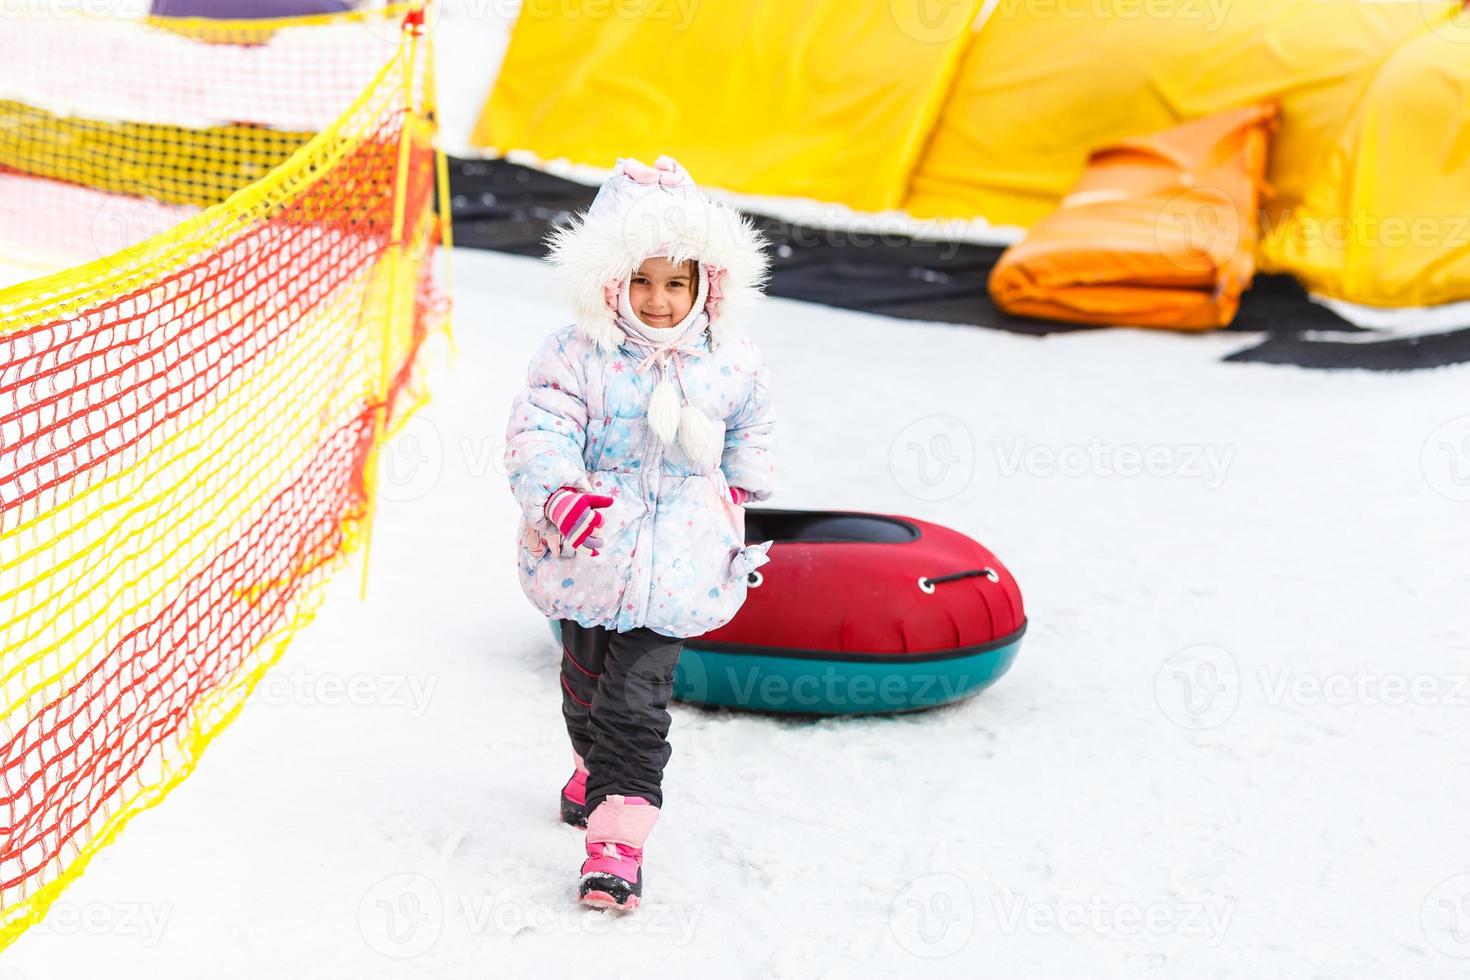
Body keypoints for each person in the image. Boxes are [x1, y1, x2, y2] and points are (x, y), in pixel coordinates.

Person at [503, 155, 775, 911]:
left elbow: (752, 415)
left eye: (675, 282)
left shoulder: (729, 358)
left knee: (636, 699)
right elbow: (539, 433)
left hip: (683, 561)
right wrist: (559, 494)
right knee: (586, 688)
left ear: (705, 283)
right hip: (588, 553)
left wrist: (745, 480)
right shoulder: (574, 354)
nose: (659, 300)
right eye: (642, 281)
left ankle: (616, 840)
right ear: (610, 281)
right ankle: (591, 765)